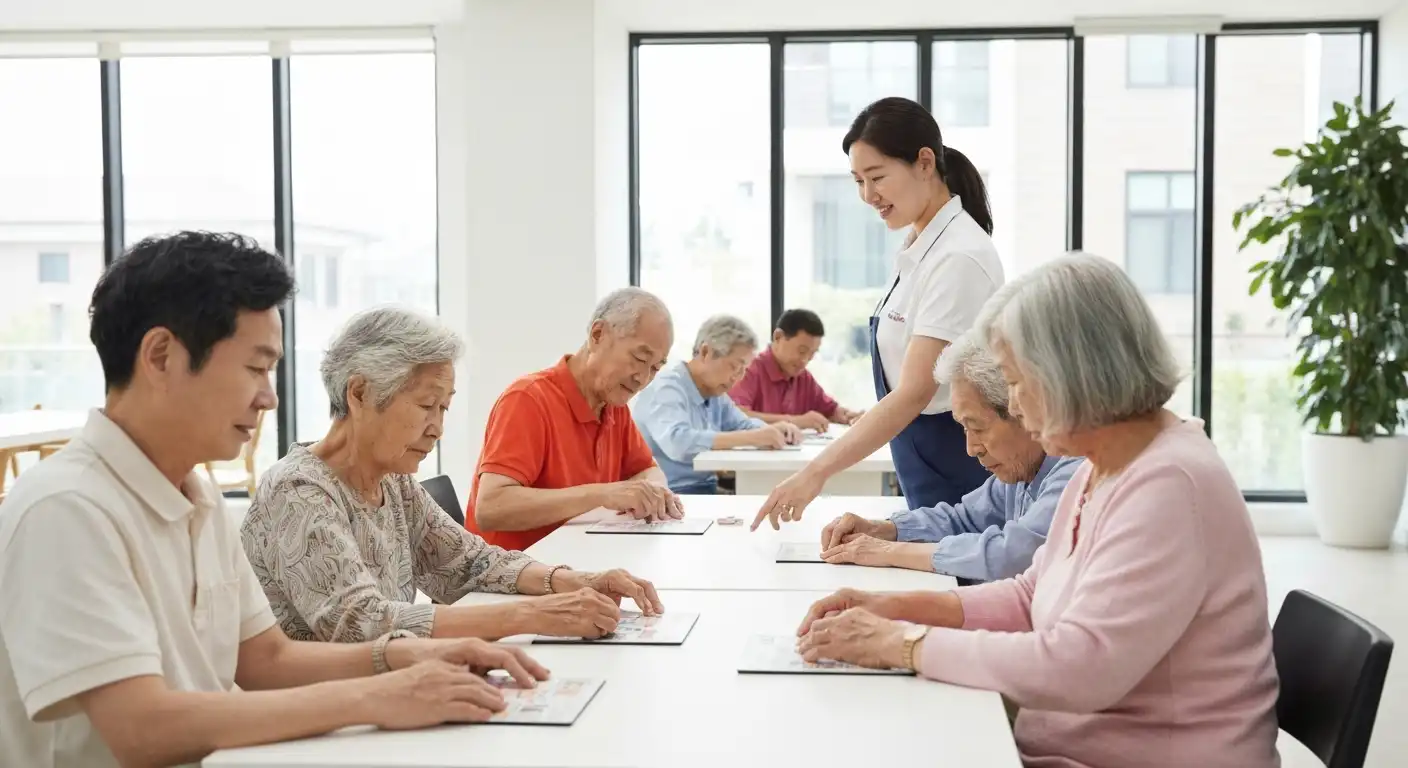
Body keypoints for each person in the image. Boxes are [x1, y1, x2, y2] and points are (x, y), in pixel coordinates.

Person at [0, 232, 548, 768]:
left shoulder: (199, 497)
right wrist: (379, 695)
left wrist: (411, 654)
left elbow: (266, 659)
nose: (269, 396)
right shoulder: (67, 509)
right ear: (161, 355)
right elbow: (142, 730)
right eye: (255, 367)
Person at [793, 253, 1280, 768]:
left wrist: (903, 643)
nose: (1017, 406)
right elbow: (1032, 597)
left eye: (1018, 383)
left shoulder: (1169, 484)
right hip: (1069, 741)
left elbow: (1081, 667)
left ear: (1073, 372)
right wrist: (893, 608)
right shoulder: (1104, 465)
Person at [242, 307, 664, 646]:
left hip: (386, 693)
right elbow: (360, 623)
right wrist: (533, 615)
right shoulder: (298, 490)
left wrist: (576, 581)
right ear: (360, 394)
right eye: (427, 405)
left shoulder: (393, 481)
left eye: (444, 409)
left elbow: (469, 563)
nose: (437, 429)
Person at [752, 96, 1004, 531]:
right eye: (857, 181)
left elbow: (913, 392)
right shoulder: (917, 249)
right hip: (924, 468)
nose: (868, 196)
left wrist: (816, 473)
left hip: (960, 470)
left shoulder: (959, 257)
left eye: (877, 177)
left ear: (925, 162)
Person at [817, 331, 1081, 582]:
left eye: (977, 428)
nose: (971, 448)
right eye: (964, 428)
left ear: (1025, 410)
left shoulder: (1076, 469)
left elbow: (1012, 555)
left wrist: (887, 552)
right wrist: (881, 529)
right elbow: (963, 519)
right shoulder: (1021, 469)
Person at [467, 288, 682, 551]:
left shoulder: (613, 404)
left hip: (576, 564)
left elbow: (648, 470)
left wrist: (654, 493)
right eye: (639, 358)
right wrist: (603, 494)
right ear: (598, 335)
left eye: (655, 368)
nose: (642, 378)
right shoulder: (528, 399)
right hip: (510, 575)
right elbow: (491, 507)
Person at [634, 315, 802, 494]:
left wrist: (776, 430)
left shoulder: (714, 391)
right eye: (735, 367)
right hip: (671, 493)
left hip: (706, 487)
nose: (737, 377)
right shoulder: (667, 387)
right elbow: (678, 443)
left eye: (744, 370)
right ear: (706, 352)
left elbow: (743, 425)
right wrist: (755, 437)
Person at [729, 308, 864, 432]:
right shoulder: (749, 370)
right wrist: (796, 421)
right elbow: (734, 415)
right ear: (778, 337)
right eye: (801, 351)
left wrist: (848, 416)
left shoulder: (803, 377)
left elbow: (830, 410)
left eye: (812, 353)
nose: (805, 360)